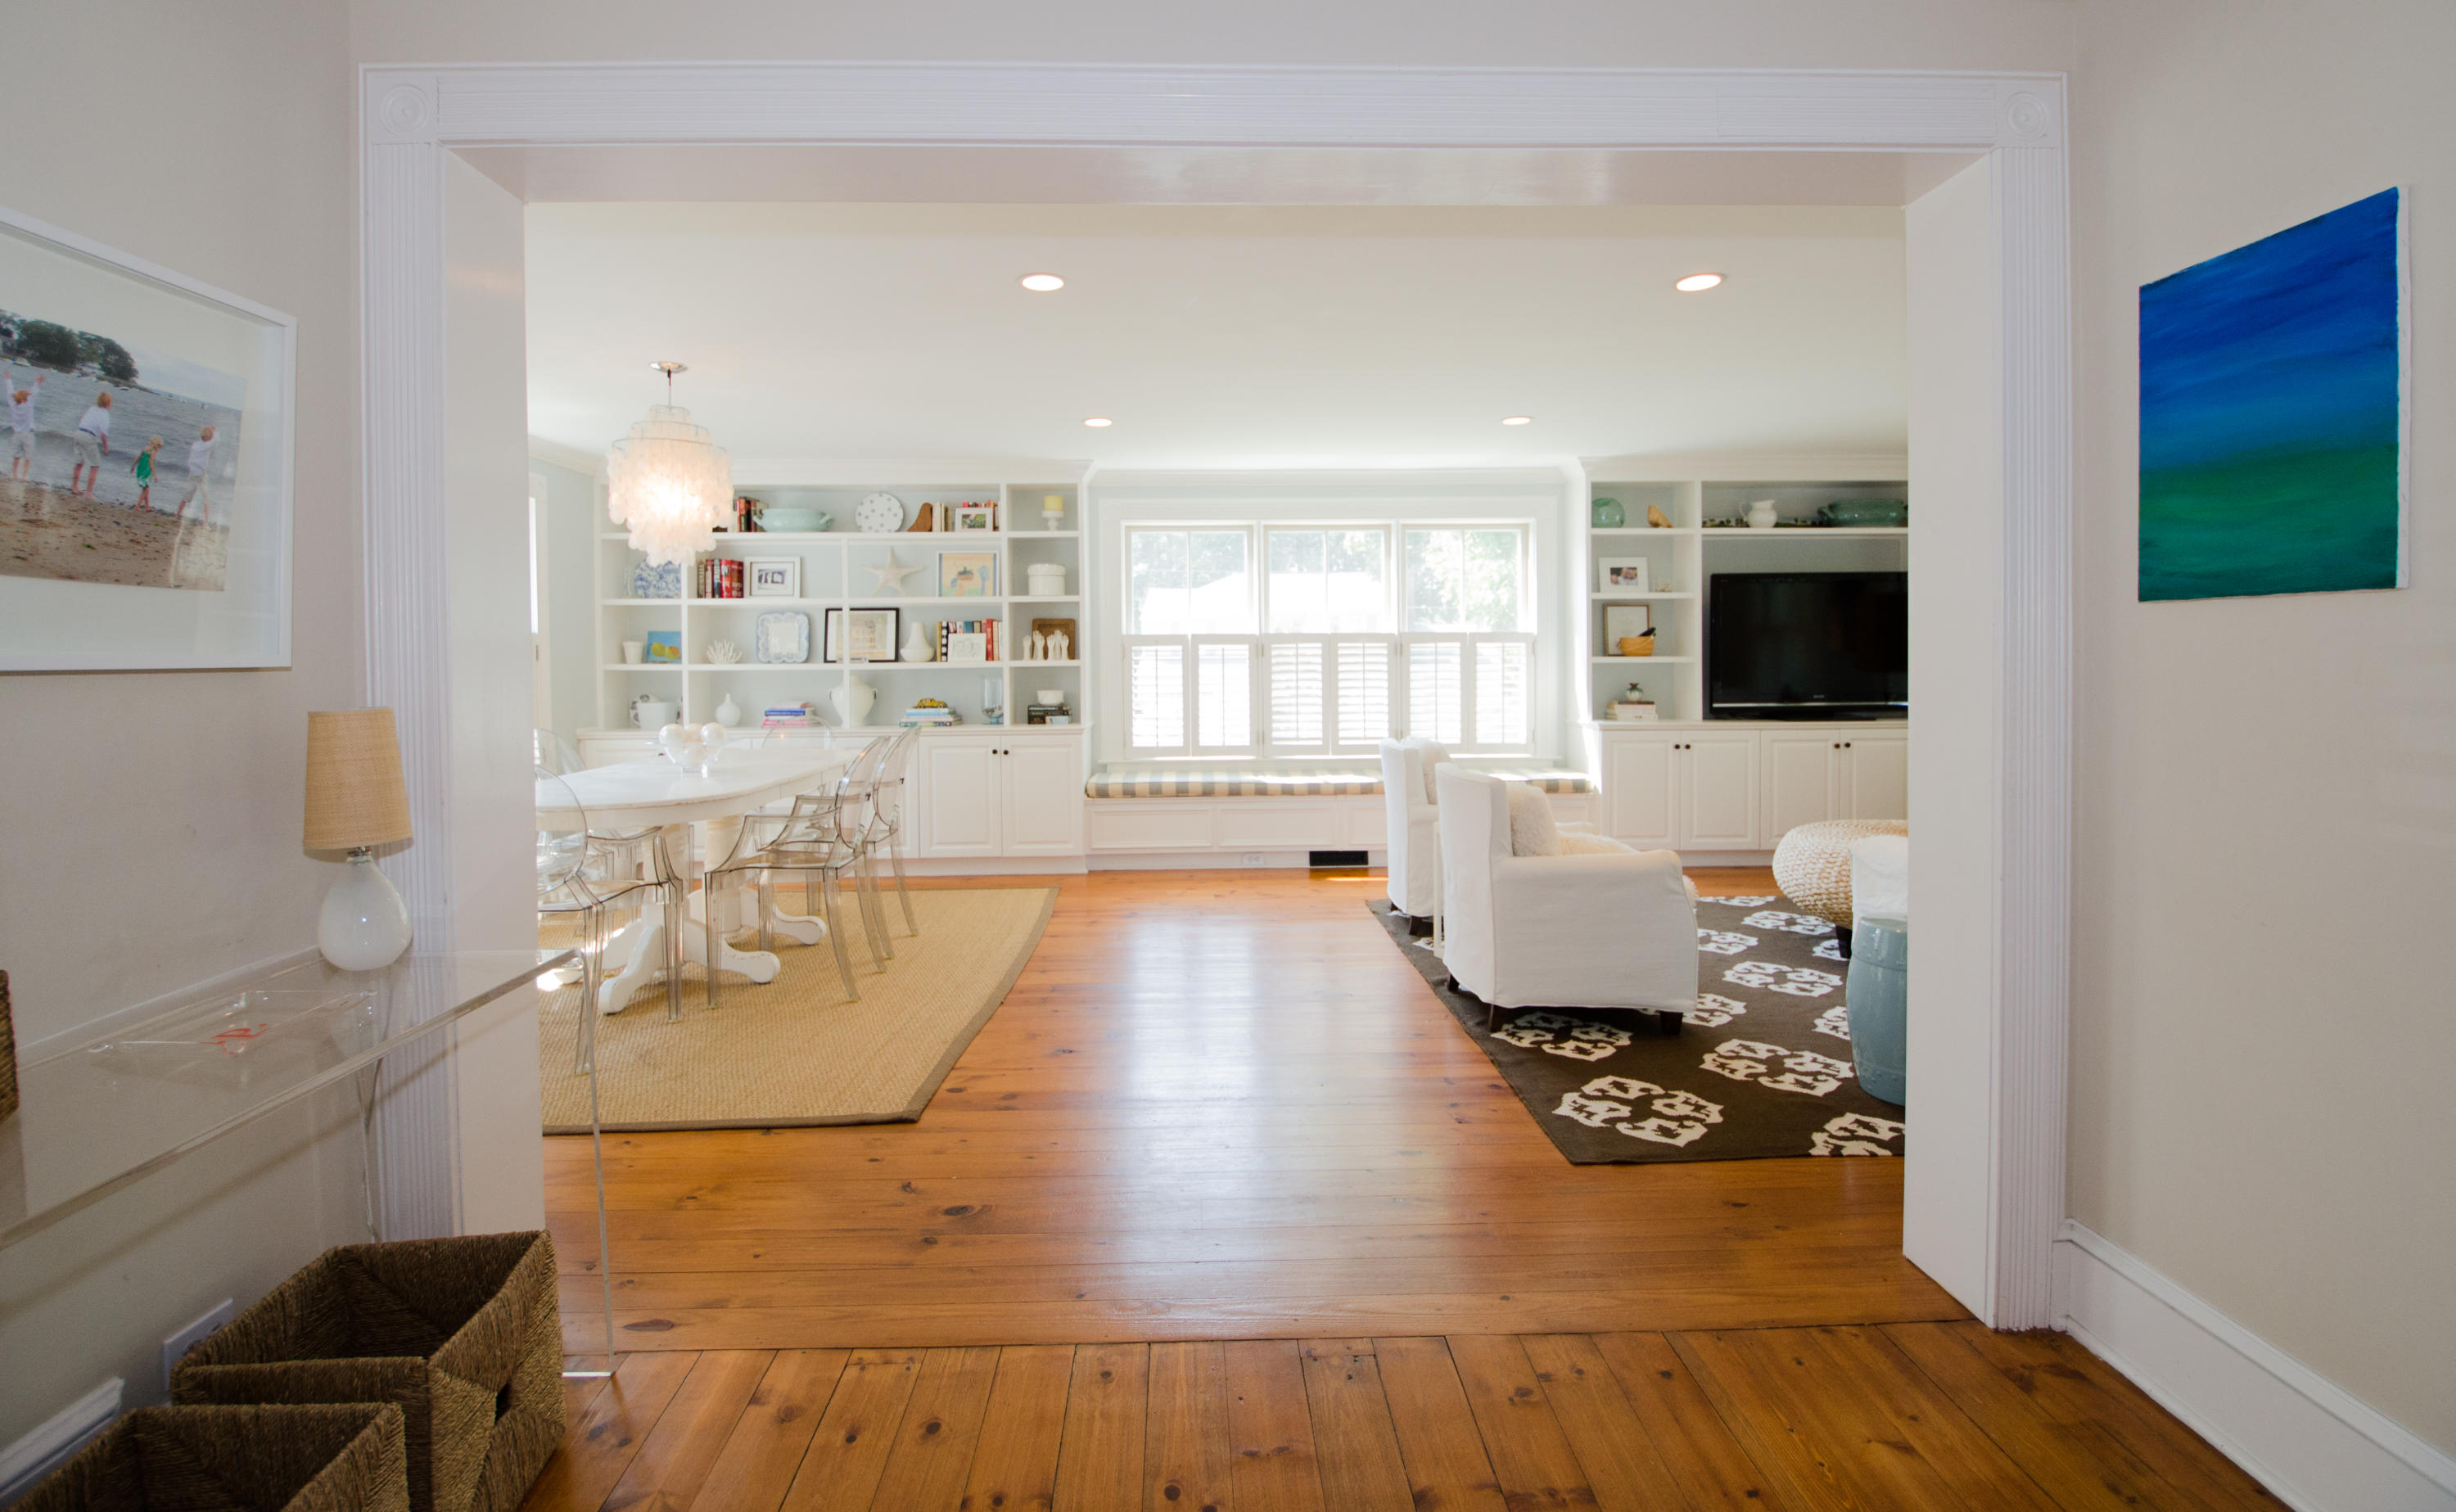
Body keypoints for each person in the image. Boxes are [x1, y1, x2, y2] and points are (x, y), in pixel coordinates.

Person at [70, 388, 112, 498]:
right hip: (88, 435)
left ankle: (74, 487)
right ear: (108, 403)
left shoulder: (92, 409)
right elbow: (103, 434)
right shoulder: (105, 414)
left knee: (79, 463)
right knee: (95, 465)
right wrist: (105, 448)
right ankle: (88, 492)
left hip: (79, 432)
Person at [6, 368, 43, 483]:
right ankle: (24, 475)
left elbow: (10, 392)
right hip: (28, 433)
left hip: (17, 433)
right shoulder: (28, 405)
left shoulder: (13, 404)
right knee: (28, 457)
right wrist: (38, 382)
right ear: (26, 398)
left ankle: (14, 474)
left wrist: (8, 379)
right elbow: (34, 393)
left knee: (16, 455)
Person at [178, 424, 217, 522]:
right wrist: (215, 431)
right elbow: (215, 441)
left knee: (187, 495)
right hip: (201, 474)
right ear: (209, 436)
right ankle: (205, 522)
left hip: (193, 472)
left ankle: (177, 515)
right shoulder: (207, 445)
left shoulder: (196, 445)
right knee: (205, 498)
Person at [131, 436, 164, 510]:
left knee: (146, 489)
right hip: (147, 473)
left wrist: (133, 466)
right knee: (146, 489)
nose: (161, 448)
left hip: (140, 470)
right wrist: (155, 475)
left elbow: (138, 457)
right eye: (161, 446)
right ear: (157, 445)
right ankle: (138, 506)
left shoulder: (145, 449)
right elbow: (151, 463)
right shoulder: (153, 452)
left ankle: (147, 507)